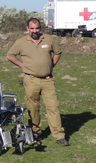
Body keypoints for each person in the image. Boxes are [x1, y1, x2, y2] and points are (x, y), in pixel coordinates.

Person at [6, 17, 68, 146]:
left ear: (40, 28)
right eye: (32, 28)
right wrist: (22, 65)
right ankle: (35, 132)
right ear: (27, 29)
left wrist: (51, 65)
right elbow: (10, 55)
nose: (35, 31)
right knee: (33, 108)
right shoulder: (21, 42)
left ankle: (59, 136)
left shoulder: (48, 39)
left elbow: (58, 52)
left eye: (37, 28)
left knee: (53, 107)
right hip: (31, 80)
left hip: (48, 80)